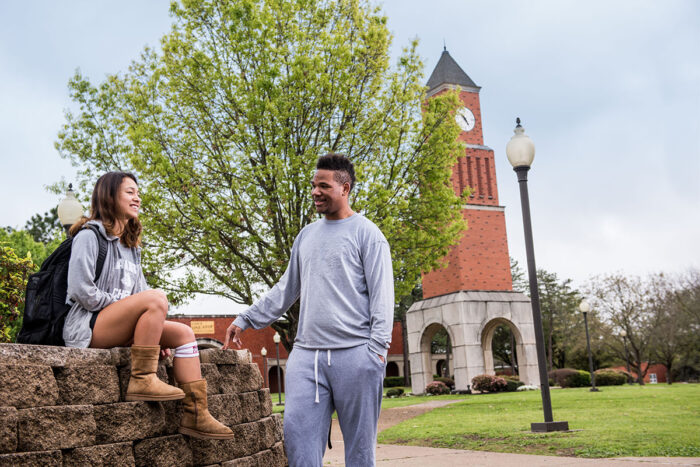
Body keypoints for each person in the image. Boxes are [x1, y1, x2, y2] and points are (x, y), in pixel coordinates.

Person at [223, 154, 394, 466]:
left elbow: (383, 297)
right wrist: (246, 318)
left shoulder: (368, 235)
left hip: (357, 356)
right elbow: (285, 289)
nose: (315, 191)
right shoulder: (306, 236)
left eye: (324, 186)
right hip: (306, 357)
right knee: (298, 444)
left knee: (359, 453)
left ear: (345, 188)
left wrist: (377, 351)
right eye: (313, 185)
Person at [62, 171, 233, 440]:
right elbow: (80, 290)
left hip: (121, 326)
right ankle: (142, 379)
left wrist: (152, 335)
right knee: (156, 297)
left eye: (137, 192)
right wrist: (125, 307)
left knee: (184, 334)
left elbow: (142, 298)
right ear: (109, 196)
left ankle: (196, 414)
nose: (137, 197)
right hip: (89, 327)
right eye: (130, 192)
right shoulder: (89, 236)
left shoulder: (131, 248)